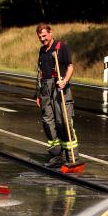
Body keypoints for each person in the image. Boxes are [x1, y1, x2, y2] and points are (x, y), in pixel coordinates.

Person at [35, 23, 79, 168]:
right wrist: (38, 94)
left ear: (50, 33)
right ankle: (56, 155)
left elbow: (71, 66)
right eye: (40, 37)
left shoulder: (61, 47)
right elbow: (40, 73)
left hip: (59, 88)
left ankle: (71, 156)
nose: (42, 39)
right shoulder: (42, 51)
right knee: (48, 123)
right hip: (45, 91)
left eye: (44, 36)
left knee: (63, 122)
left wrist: (65, 81)